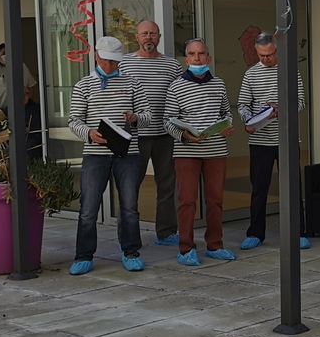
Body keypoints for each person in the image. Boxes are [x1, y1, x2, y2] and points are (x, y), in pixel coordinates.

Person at [67, 37, 150, 275]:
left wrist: (135, 118)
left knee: (129, 206)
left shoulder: (133, 83)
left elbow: (147, 116)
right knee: (88, 207)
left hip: (127, 153)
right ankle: (83, 256)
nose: (110, 65)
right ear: (96, 56)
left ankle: (131, 252)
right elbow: (74, 120)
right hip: (95, 154)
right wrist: (89, 133)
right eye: (106, 60)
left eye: (114, 62)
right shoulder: (83, 85)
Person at [164, 39, 237, 266]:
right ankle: (186, 249)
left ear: (209, 58)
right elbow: (168, 121)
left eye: (201, 53)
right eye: (192, 54)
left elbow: (226, 113)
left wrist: (227, 126)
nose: (197, 58)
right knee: (187, 200)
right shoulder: (176, 86)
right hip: (186, 152)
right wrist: (185, 135)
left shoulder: (219, 84)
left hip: (216, 150)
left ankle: (215, 245)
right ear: (186, 60)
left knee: (215, 200)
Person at [237, 32, 309, 251]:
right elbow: (242, 104)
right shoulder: (251, 74)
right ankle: (255, 233)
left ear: (277, 50)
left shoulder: (290, 70)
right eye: (261, 55)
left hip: (286, 139)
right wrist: (248, 120)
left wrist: (281, 109)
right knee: (259, 189)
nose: (265, 59)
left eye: (269, 55)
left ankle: (298, 233)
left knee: (292, 188)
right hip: (260, 140)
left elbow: (301, 102)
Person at [120, 20, 184, 246]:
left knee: (167, 185)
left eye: (153, 34)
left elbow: (180, 96)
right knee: (130, 187)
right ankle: (128, 236)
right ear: (136, 37)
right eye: (144, 33)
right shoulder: (124, 63)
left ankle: (166, 233)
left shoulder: (172, 65)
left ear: (159, 37)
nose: (149, 37)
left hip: (166, 134)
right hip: (135, 136)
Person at [0, 42, 41, 158]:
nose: (7, 55)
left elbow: (31, 86)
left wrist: (27, 101)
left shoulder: (22, 67)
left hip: (15, 112)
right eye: (3, 53)